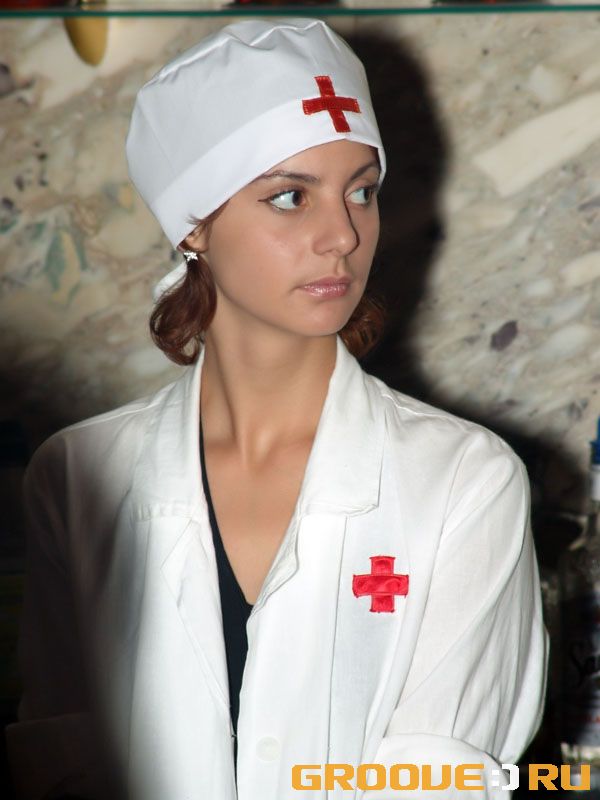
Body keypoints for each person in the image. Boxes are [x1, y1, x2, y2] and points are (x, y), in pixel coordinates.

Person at [6, 17, 548, 800]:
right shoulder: (77, 476)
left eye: (362, 191)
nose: (343, 236)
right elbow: (65, 764)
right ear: (194, 224)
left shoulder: (465, 481)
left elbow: (442, 780)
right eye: (291, 196)